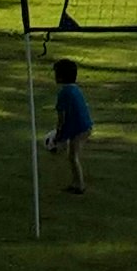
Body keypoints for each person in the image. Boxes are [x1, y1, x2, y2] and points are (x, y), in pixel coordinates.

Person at [43, 57, 93, 194]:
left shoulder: (64, 93)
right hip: (84, 127)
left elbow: (62, 118)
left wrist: (58, 135)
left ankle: (79, 185)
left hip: (80, 129)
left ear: (61, 76)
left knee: (72, 156)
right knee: (71, 154)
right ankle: (76, 183)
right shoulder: (75, 89)